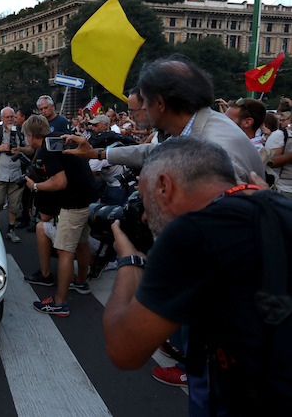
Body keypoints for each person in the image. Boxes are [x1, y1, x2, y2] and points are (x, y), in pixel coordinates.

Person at [103, 136, 292, 415]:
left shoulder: (193, 233)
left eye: (144, 200)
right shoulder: (274, 204)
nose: (143, 217)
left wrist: (130, 259)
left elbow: (123, 350)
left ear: (165, 186)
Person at [64, 56, 265, 182]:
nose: (143, 109)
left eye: (145, 102)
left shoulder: (213, 153)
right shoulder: (201, 128)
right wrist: (96, 153)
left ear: (160, 103)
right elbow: (153, 150)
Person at [21, 115, 99, 316]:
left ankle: (59, 303)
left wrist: (35, 186)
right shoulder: (57, 137)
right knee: (81, 242)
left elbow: (59, 182)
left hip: (73, 202)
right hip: (87, 196)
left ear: (30, 136)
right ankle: (81, 282)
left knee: (65, 251)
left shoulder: (47, 148)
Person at [0, 107, 27, 243]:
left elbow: (31, 149)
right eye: (6, 117)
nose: (9, 119)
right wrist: (0, 148)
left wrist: (20, 149)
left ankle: (11, 230)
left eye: (12, 117)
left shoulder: (20, 131)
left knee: (14, 205)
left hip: (16, 174)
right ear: (1, 118)